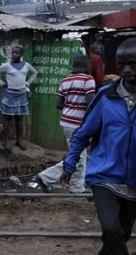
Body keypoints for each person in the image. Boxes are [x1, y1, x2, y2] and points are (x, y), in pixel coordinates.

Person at [61, 38, 136, 255]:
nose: (125, 69)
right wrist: (69, 163)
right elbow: (83, 133)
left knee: (120, 234)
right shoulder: (105, 96)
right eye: (121, 63)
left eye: (133, 63)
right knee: (111, 227)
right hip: (104, 174)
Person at [34, 55, 95, 193]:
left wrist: (72, 106)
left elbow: (59, 104)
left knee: (79, 156)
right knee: (78, 157)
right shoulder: (88, 79)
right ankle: (46, 178)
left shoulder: (65, 80)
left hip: (66, 122)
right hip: (79, 124)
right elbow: (91, 102)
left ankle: (76, 186)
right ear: (86, 65)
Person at [0, 45, 37, 151]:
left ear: (21, 55)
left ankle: (19, 140)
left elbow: (35, 73)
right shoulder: (7, 66)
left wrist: (27, 83)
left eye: (16, 53)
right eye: (12, 53)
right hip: (10, 96)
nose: (14, 55)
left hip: (22, 95)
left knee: (19, 119)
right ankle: (6, 141)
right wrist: (2, 84)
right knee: (7, 119)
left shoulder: (26, 65)